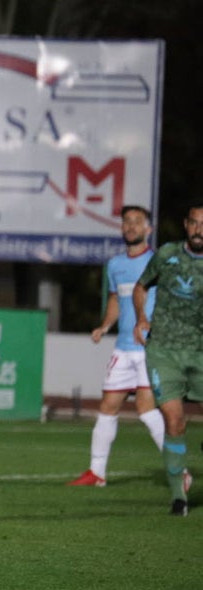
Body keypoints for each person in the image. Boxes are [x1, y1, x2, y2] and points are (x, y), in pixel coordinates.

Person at [68, 205, 164, 486]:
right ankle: (97, 472)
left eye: (137, 222)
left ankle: (178, 470)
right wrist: (104, 326)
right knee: (108, 407)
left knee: (146, 410)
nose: (131, 226)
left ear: (149, 229)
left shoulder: (158, 263)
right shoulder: (115, 265)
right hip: (123, 348)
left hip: (149, 348)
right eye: (127, 222)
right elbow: (115, 300)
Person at [133, 202, 203, 516]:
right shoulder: (166, 255)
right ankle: (178, 497)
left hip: (200, 352)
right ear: (186, 225)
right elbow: (140, 287)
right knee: (174, 421)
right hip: (163, 351)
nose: (199, 230)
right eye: (194, 223)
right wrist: (140, 319)